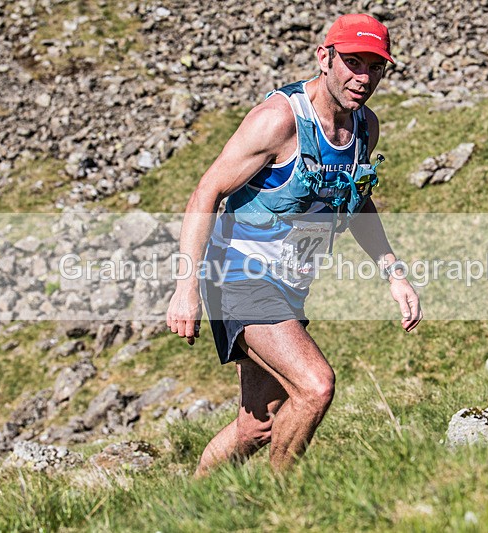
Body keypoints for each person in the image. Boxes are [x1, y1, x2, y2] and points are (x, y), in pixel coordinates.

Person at [166, 13, 422, 474]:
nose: (363, 78)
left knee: (256, 425)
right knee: (315, 385)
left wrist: (393, 273)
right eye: (352, 62)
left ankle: (188, 502)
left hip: (290, 282)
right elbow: (207, 191)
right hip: (239, 273)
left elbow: (358, 202)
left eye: (375, 67)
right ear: (325, 58)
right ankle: (281, 505)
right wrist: (185, 289)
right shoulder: (278, 121)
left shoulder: (365, 127)